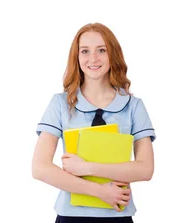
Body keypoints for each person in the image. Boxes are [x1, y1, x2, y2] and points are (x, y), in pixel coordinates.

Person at [32, 23, 156, 223]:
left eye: (101, 50)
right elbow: (40, 168)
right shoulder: (60, 104)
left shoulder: (134, 106)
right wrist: (100, 192)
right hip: (72, 216)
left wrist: (88, 167)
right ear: (77, 57)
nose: (93, 58)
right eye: (85, 51)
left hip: (118, 215)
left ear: (112, 54)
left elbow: (145, 169)